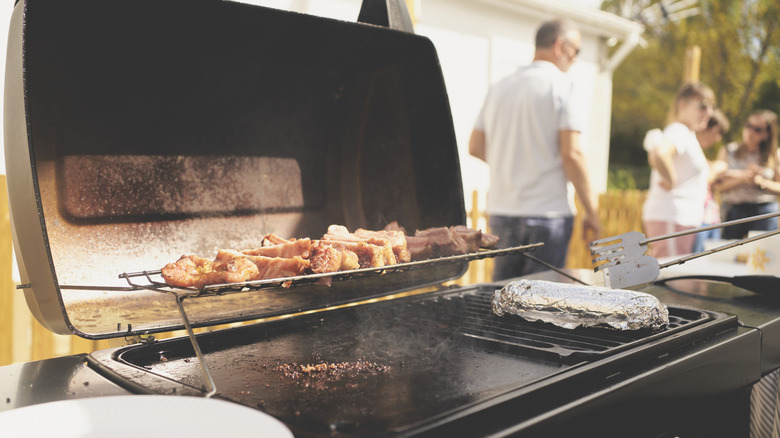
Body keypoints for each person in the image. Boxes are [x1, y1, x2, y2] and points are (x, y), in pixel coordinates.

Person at [468, 18, 601, 281]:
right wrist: (592, 212)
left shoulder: (499, 88)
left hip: (502, 212)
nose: (575, 59)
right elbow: (572, 154)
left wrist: (513, 163)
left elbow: (476, 146)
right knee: (540, 304)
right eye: (576, 51)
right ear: (560, 45)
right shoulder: (563, 86)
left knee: (503, 297)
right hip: (546, 215)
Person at [641, 82, 715, 258]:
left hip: (677, 220)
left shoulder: (686, 134)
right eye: (703, 106)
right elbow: (659, 153)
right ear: (683, 105)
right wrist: (672, 180)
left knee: (676, 280)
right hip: (672, 218)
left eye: (712, 107)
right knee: (673, 280)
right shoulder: (679, 130)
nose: (709, 113)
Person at [711, 109, 780, 239]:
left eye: (757, 129)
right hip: (735, 210)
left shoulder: (774, 155)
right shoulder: (728, 150)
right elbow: (718, 185)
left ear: (767, 134)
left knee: (762, 255)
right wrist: (743, 178)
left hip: (764, 211)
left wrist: (761, 183)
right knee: (729, 254)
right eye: (749, 125)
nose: (750, 131)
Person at [691, 110, 730, 253]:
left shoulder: (700, 154)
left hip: (711, 218)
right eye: (717, 132)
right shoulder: (688, 149)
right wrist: (717, 168)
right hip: (697, 219)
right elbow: (702, 180)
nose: (718, 138)